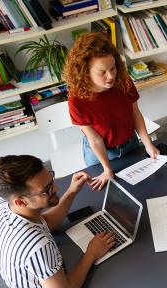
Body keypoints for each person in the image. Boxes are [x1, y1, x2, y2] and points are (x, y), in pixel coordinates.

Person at [0, 155, 115, 288]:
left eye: (50, 178)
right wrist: (91, 254)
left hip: (45, 280)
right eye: (46, 190)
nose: (55, 187)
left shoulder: (4, 204)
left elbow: (46, 223)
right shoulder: (37, 246)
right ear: (21, 202)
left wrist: (71, 192)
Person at [64, 32, 160, 191]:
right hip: (101, 154)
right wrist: (107, 170)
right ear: (85, 71)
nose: (110, 76)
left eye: (113, 68)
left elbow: (135, 113)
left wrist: (148, 143)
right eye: (102, 72)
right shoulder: (76, 100)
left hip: (130, 142)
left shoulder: (123, 81)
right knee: (110, 193)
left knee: (142, 189)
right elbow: (94, 139)